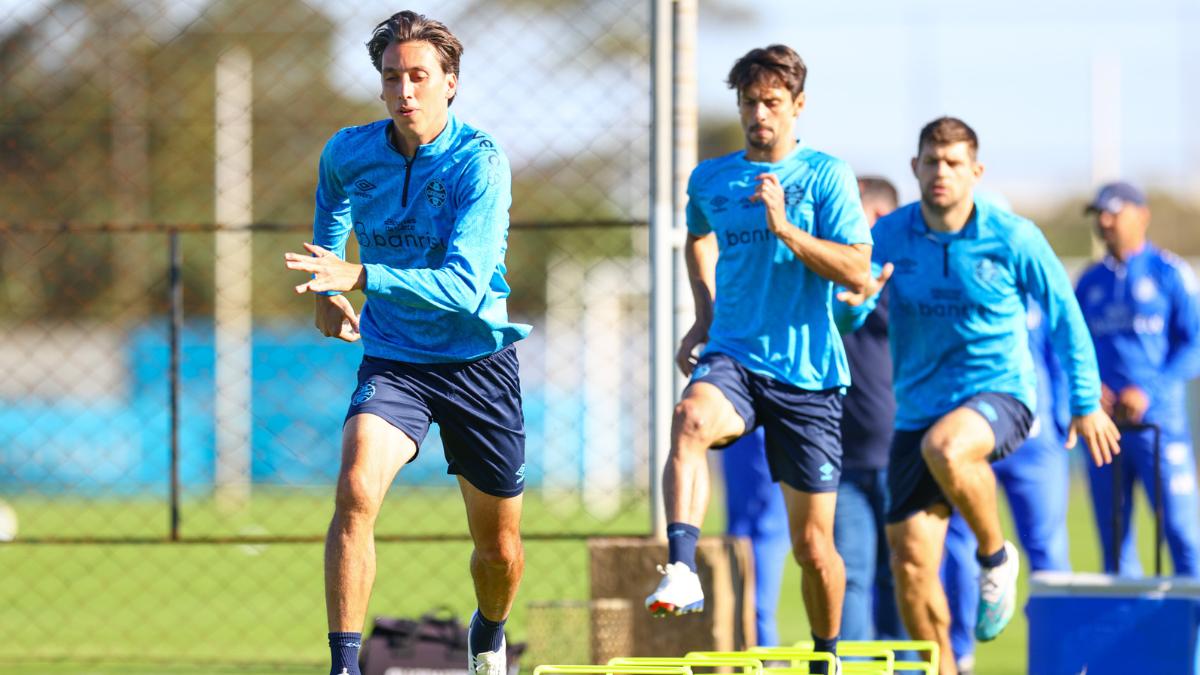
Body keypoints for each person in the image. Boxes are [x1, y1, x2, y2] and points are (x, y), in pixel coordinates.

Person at [283, 12, 530, 675]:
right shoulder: (348, 150)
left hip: (478, 362)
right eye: (393, 77)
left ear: (451, 83)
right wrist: (329, 288)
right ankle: (343, 663)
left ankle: (490, 629)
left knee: (499, 550)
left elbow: (466, 284)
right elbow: (331, 204)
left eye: (420, 76)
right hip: (395, 361)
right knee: (356, 487)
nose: (405, 91)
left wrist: (358, 275)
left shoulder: (480, 162)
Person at [840, 117, 1120, 674]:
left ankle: (995, 557)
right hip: (918, 410)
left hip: (1002, 395)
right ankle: (945, 666)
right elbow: (850, 311)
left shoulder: (1013, 236)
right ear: (914, 168)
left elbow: (1066, 318)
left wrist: (1085, 402)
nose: (941, 172)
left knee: (947, 447)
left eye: (953, 163)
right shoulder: (889, 234)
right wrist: (853, 302)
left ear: (976, 171)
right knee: (912, 565)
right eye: (931, 161)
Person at [644, 43, 874, 674]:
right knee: (689, 418)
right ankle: (683, 569)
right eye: (748, 102)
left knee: (813, 546)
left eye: (771, 102)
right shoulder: (712, 179)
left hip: (808, 375)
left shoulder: (826, 175)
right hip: (735, 358)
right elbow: (697, 235)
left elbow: (856, 265)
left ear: (798, 106)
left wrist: (786, 228)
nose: (759, 114)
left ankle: (826, 657)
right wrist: (705, 314)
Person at [941, 295, 1074, 675]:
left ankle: (1058, 660)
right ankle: (960, 657)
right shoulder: (965, 279)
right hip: (976, 440)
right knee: (961, 546)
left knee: (1048, 551)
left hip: (1036, 444)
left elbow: (1063, 353)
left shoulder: (1038, 283)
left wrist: (1063, 419)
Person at [1075, 181, 1200, 577]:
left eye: (1114, 212)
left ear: (1141, 215)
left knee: (1182, 534)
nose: (1105, 222)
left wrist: (1149, 390)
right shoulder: (1089, 281)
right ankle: (1128, 636)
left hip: (1160, 428)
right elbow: (1071, 348)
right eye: (1099, 214)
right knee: (1113, 541)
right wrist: (1089, 389)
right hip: (1104, 431)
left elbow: (1195, 343)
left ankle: (1192, 638)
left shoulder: (1169, 272)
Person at [831, 177, 907, 645]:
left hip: (901, 456)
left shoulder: (906, 282)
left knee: (902, 574)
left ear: (876, 218)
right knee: (851, 575)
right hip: (838, 458)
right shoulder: (827, 272)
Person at [720, 428, 790, 646]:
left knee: (758, 603)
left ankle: (766, 656)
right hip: (744, 522)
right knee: (741, 599)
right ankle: (758, 654)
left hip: (767, 521)